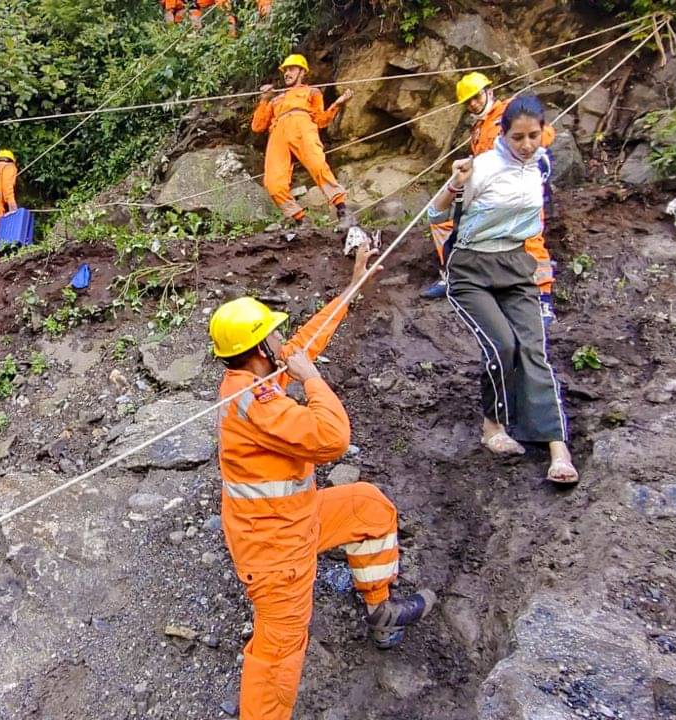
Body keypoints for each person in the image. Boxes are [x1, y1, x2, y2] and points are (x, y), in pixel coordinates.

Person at [210, 241, 435, 720]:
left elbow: (304, 344)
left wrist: (353, 284)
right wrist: (313, 380)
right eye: (272, 336)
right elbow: (332, 438)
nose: (281, 340)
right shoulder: (259, 403)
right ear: (257, 349)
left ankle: (381, 612)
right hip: (276, 552)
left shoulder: (255, 379)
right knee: (279, 650)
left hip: (297, 519)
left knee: (369, 507)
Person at [427, 94, 578, 485]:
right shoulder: (483, 167)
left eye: (533, 135)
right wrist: (454, 183)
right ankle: (493, 426)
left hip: (515, 265)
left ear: (544, 131)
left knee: (533, 349)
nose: (526, 145)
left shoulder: (541, 164)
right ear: (503, 134)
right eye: (518, 137)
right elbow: (436, 213)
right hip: (471, 268)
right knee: (503, 346)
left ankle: (555, 444)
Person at [422, 72, 558, 304]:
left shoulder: (510, 112)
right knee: (445, 222)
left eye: (476, 97)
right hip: (489, 191)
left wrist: (519, 149)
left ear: (489, 92)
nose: (473, 104)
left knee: (529, 238)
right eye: (469, 102)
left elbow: (545, 134)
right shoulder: (479, 128)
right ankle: (455, 276)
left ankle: (544, 298)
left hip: (518, 187)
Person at [251, 54, 356, 231]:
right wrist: (264, 99)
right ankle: (301, 220)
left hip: (302, 127)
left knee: (317, 165)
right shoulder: (276, 99)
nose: (287, 73)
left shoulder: (312, 92)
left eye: (291, 69)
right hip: (278, 133)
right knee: (273, 183)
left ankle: (343, 211)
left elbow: (321, 120)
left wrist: (337, 104)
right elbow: (257, 126)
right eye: (285, 70)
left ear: (302, 72)